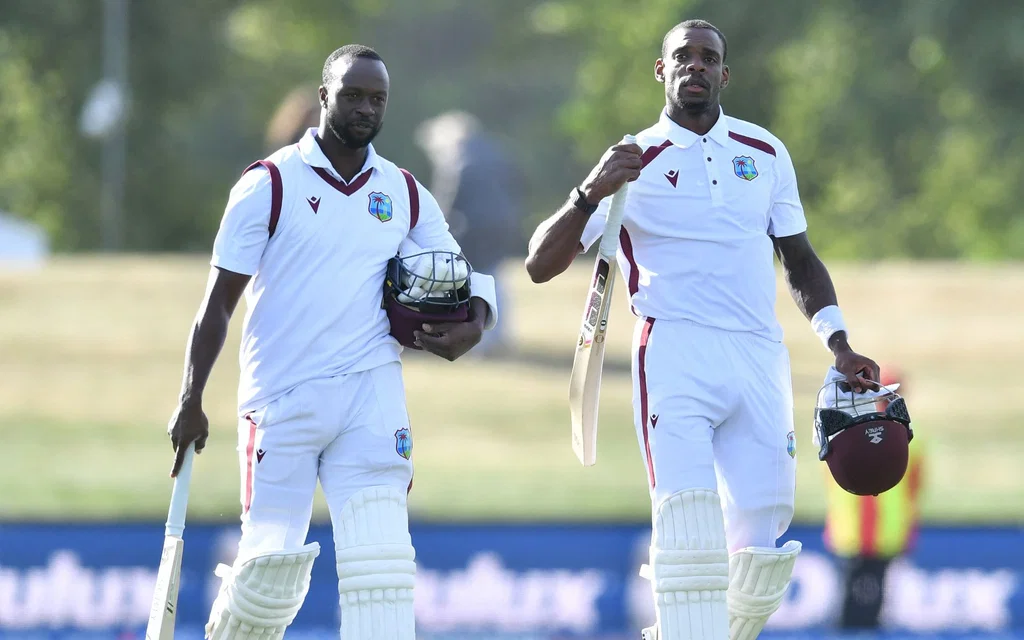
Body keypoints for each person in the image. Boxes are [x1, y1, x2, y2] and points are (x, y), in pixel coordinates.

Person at [524, 19, 881, 640]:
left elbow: (800, 261)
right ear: (661, 70)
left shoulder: (764, 152)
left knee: (762, 549)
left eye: (708, 58)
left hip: (758, 354)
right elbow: (539, 264)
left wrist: (839, 343)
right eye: (682, 57)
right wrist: (591, 191)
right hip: (674, 351)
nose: (695, 66)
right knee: (687, 528)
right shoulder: (634, 159)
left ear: (724, 74)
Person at [165, 44, 499, 640]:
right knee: (266, 580)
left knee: (382, 574)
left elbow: (458, 272)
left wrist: (476, 320)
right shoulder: (269, 183)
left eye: (378, 99)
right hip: (281, 397)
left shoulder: (403, 190)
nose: (366, 108)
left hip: (371, 393)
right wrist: (191, 399)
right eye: (353, 95)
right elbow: (217, 304)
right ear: (324, 96)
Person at [823, 366, 925, 630]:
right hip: (860, 529)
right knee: (855, 599)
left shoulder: (849, 427)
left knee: (868, 598)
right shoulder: (909, 435)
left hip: (872, 529)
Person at [415, 111, 522, 357]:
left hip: (476, 229)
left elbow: (446, 201)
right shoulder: (494, 151)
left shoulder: (458, 158)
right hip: (504, 224)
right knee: (494, 276)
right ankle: (499, 335)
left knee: (475, 280)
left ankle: (482, 339)